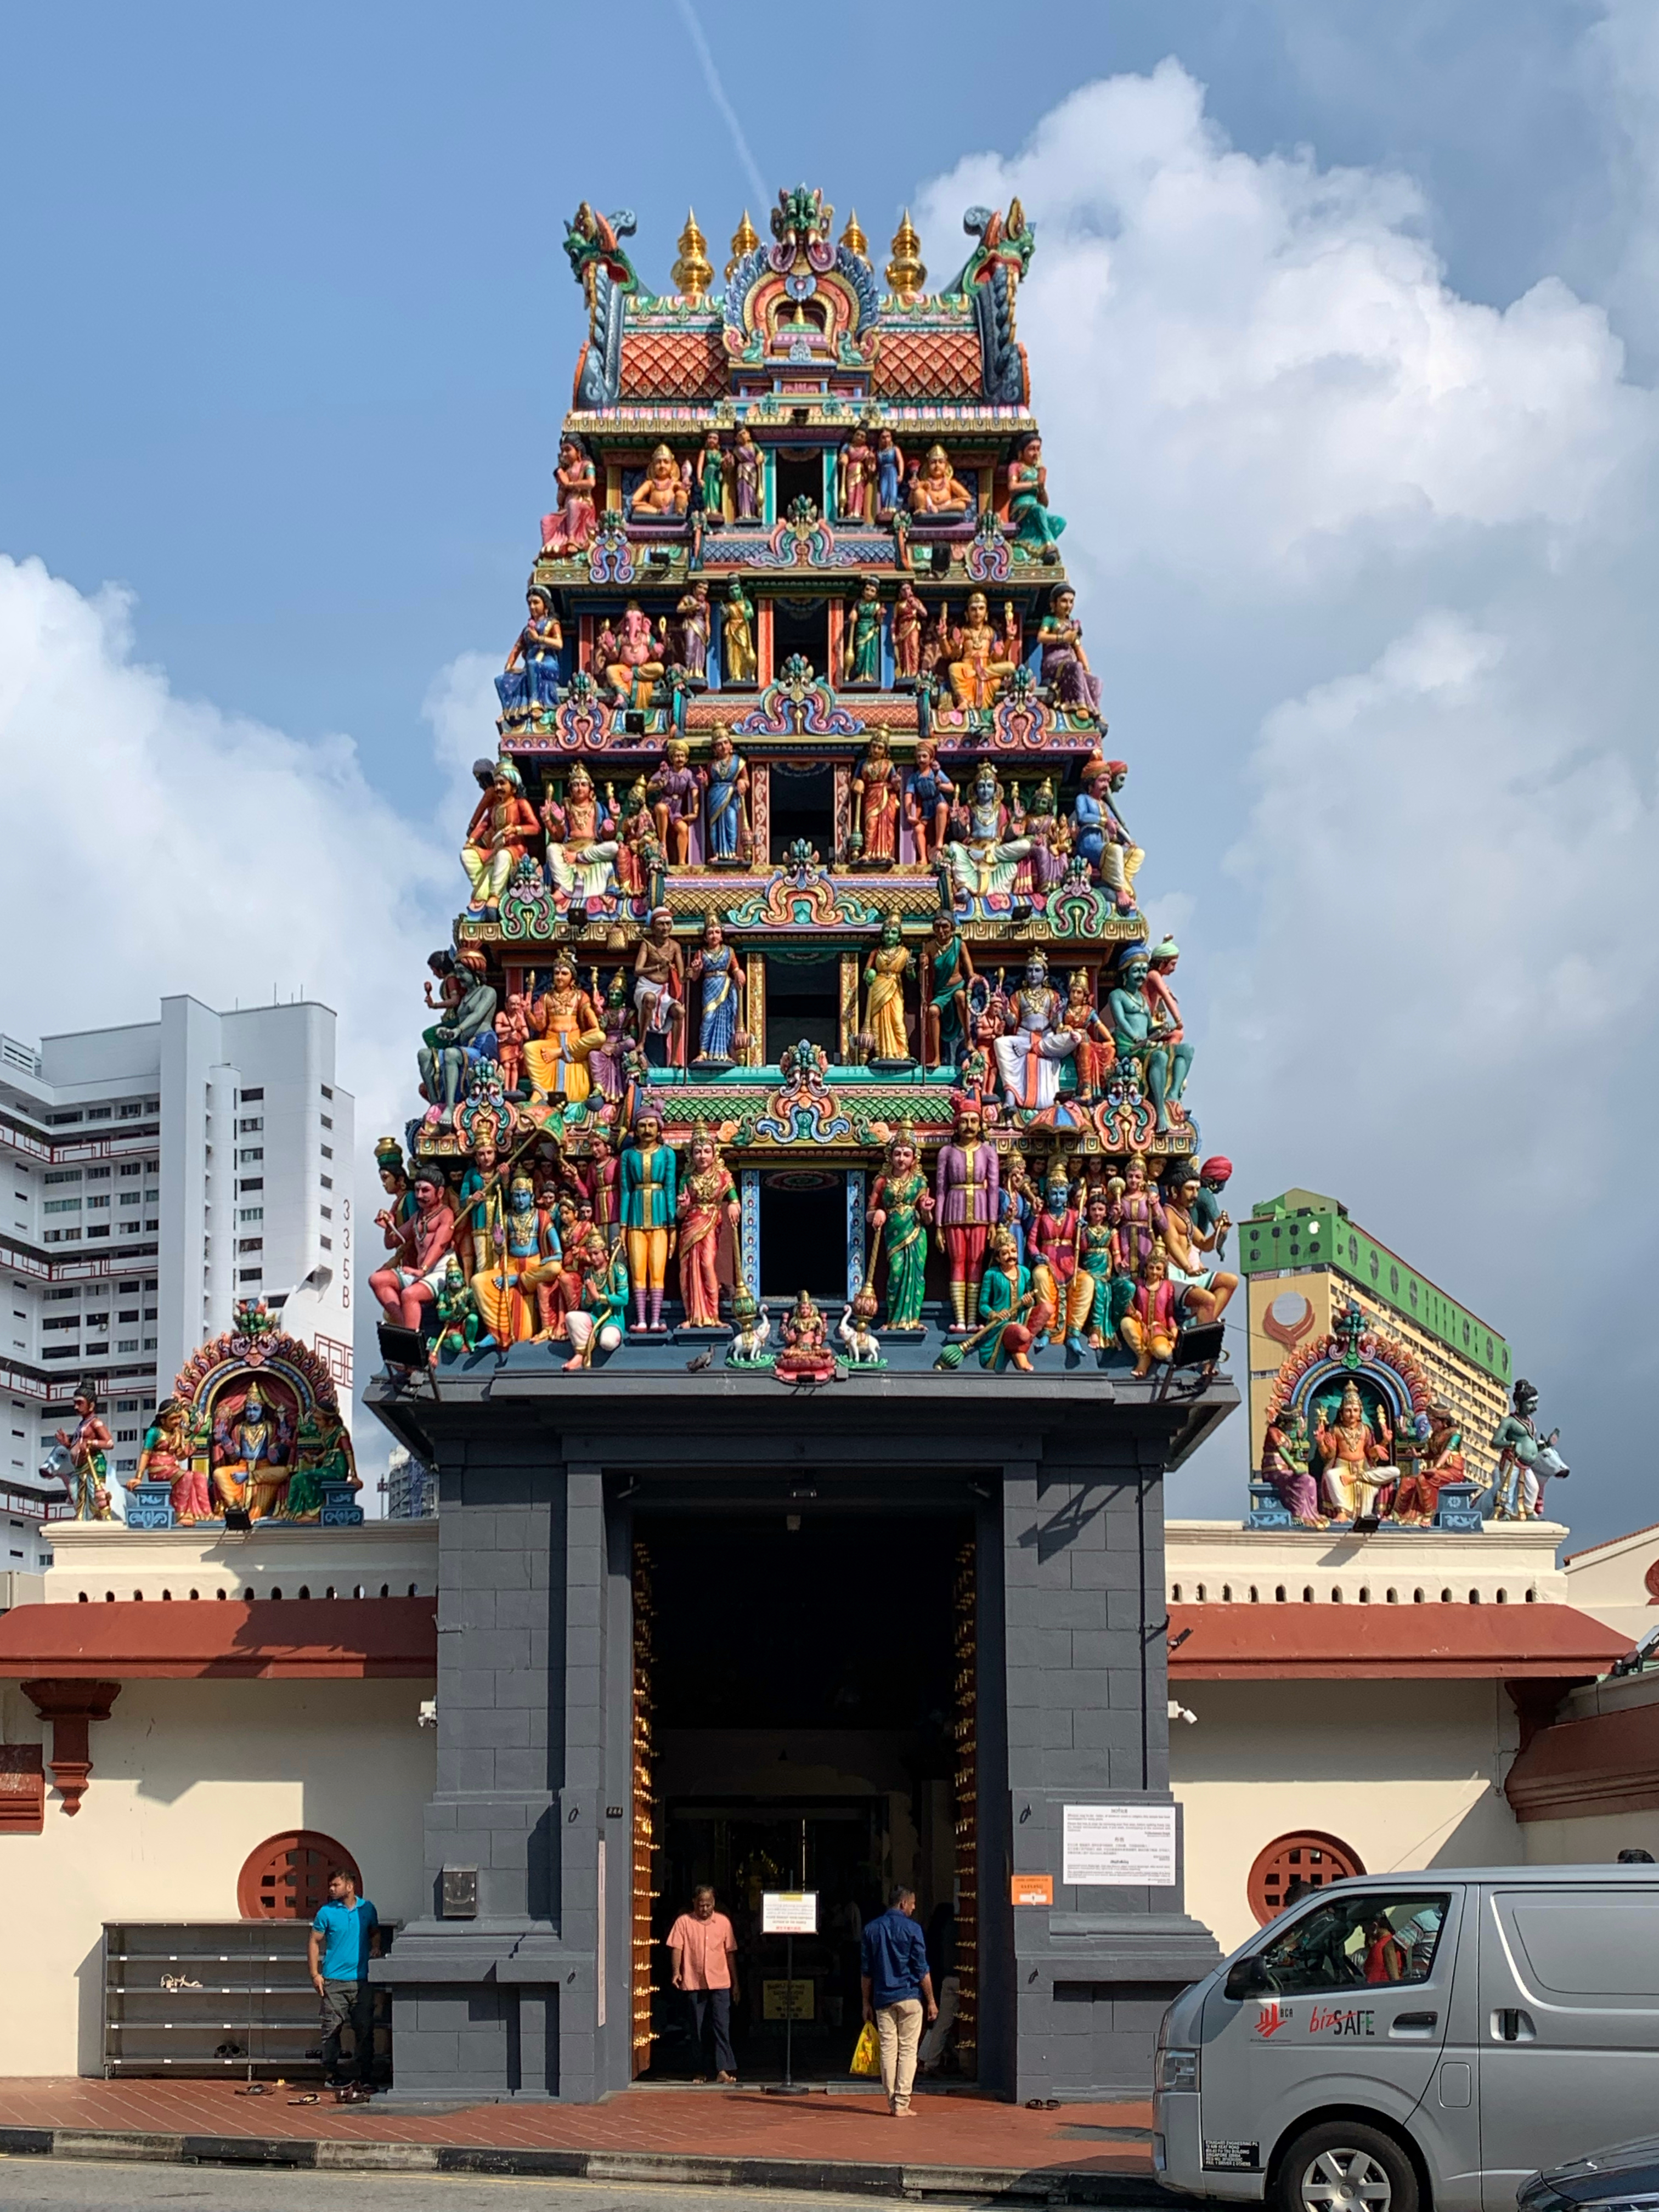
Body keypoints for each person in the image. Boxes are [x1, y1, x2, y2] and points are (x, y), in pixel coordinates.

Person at [861, 1884, 937, 2116]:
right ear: (903, 1903)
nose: (914, 1908)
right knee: (908, 2050)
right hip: (910, 1997)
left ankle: (891, 2098)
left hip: (883, 1998)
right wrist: (931, 2000)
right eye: (912, 1904)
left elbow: (866, 1971)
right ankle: (902, 2102)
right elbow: (922, 1969)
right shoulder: (913, 1929)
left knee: (888, 2049)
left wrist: (865, 2002)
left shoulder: (871, 1929)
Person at [307, 1867, 380, 2094]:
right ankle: (331, 2075)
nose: (331, 1889)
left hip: (362, 1981)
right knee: (331, 2029)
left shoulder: (367, 1909)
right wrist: (315, 1974)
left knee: (365, 2030)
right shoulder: (326, 1912)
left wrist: (376, 1947)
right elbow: (314, 1941)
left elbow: (374, 1931)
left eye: (336, 1885)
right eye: (330, 1885)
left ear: (350, 1886)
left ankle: (365, 2076)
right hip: (333, 1981)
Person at [666, 1883, 740, 2084]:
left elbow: (730, 1954)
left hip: (720, 1981)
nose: (705, 1909)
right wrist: (676, 1972)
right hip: (694, 1981)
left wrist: (736, 1983)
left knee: (721, 2026)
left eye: (708, 1905)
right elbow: (677, 1948)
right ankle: (700, 2070)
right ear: (694, 1903)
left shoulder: (723, 1923)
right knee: (697, 2029)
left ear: (714, 1903)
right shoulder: (684, 1922)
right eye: (701, 1905)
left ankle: (723, 2069)